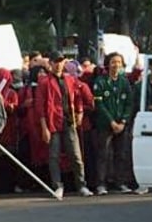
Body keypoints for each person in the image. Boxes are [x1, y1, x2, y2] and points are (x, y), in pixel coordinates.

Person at [36, 50, 91, 198]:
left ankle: (81, 185)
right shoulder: (44, 82)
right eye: (56, 61)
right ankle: (57, 185)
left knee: (76, 156)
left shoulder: (70, 80)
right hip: (53, 123)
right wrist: (44, 128)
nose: (58, 64)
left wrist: (80, 111)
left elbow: (79, 96)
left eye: (61, 61)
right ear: (51, 63)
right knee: (54, 157)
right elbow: (40, 108)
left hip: (69, 121)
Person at [93, 52, 133, 194]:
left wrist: (122, 121)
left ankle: (120, 182)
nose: (116, 65)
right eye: (113, 62)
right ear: (108, 64)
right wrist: (111, 122)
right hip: (105, 125)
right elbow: (99, 105)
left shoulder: (124, 81)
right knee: (103, 154)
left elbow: (129, 103)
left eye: (119, 62)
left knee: (120, 154)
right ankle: (101, 184)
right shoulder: (100, 81)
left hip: (121, 124)